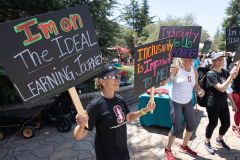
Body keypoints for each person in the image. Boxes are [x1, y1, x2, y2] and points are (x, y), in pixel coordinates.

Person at [74, 64, 156, 160]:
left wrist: (144, 110)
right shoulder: (95, 105)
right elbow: (78, 136)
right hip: (107, 155)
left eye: (118, 76)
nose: (118, 80)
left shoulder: (119, 99)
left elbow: (128, 117)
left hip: (123, 151)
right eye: (113, 77)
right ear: (102, 81)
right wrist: (81, 125)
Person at [160, 58, 205, 160]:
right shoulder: (176, 68)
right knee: (176, 128)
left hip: (187, 101)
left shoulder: (193, 69)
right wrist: (168, 74)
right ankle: (167, 149)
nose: (191, 59)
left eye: (192, 57)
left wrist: (200, 90)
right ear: (182, 57)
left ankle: (183, 146)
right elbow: (162, 84)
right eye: (188, 57)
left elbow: (195, 85)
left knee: (192, 125)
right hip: (176, 100)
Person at [204, 53, 238, 154]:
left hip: (223, 103)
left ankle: (219, 139)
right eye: (218, 59)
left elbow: (227, 89)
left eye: (222, 59)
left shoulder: (225, 72)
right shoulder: (210, 74)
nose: (221, 61)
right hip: (213, 103)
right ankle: (207, 142)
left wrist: (232, 102)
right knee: (212, 124)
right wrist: (231, 77)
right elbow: (221, 88)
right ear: (213, 62)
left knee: (226, 124)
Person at [228, 62, 240, 138]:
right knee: (238, 111)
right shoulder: (232, 65)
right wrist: (238, 64)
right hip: (236, 91)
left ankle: (234, 125)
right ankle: (237, 128)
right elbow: (233, 75)